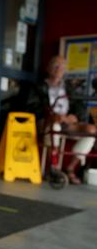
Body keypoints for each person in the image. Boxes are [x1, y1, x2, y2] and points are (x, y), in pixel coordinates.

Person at [29, 55, 96, 185]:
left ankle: (71, 167)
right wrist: (52, 115)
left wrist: (74, 117)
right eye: (55, 65)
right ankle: (54, 168)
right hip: (48, 122)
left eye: (62, 66)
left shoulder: (69, 87)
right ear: (48, 68)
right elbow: (32, 107)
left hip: (67, 123)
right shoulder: (38, 87)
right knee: (54, 126)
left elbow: (80, 106)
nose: (59, 69)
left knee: (91, 130)